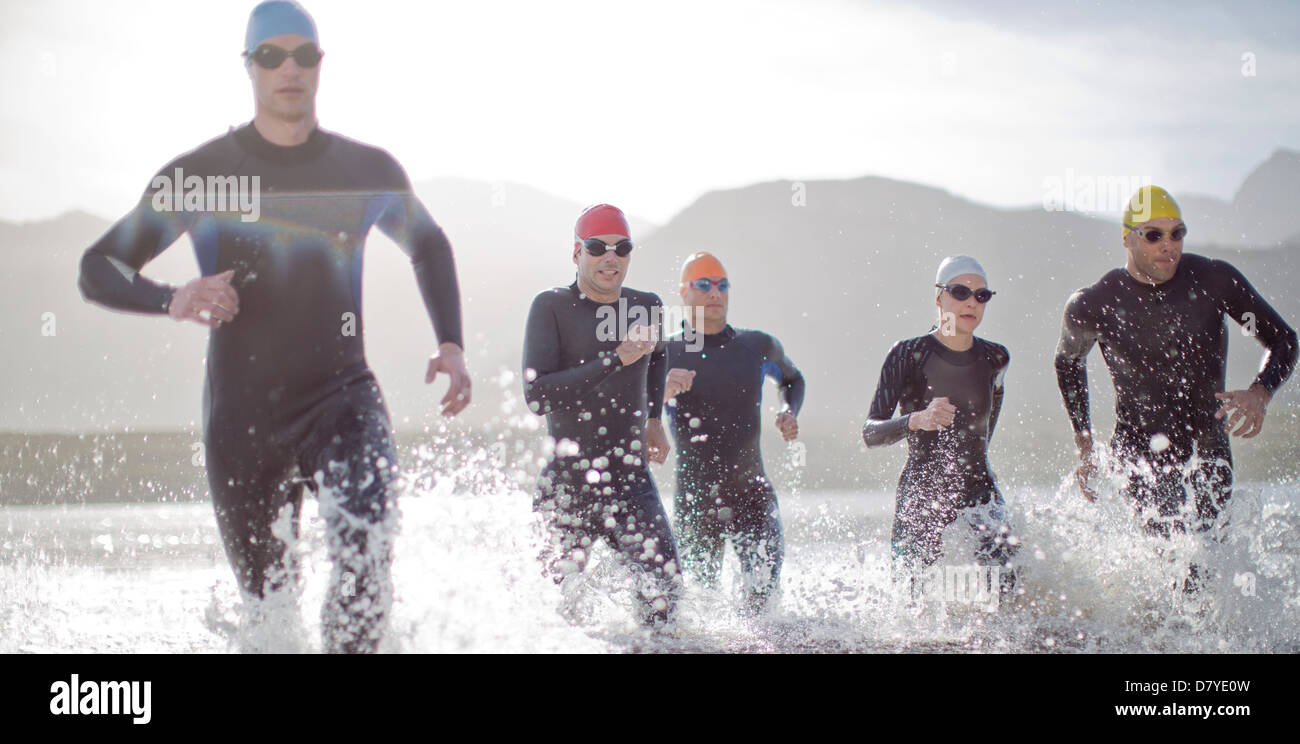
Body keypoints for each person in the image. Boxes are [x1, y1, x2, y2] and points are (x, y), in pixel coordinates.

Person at [77, 0, 471, 653]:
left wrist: (451, 343)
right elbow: (99, 266)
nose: (289, 68)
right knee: (270, 619)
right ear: (249, 67)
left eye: (304, 55)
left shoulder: (365, 171)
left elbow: (428, 245)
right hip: (241, 424)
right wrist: (170, 298)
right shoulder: (198, 176)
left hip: (343, 399)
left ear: (320, 66)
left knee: (367, 552)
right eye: (271, 55)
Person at [1055, 186, 1297, 588]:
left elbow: (1283, 340)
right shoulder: (1094, 304)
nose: (1168, 245)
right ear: (1127, 237)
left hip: (1208, 452)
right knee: (1166, 569)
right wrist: (1084, 443)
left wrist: (1261, 392)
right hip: (1139, 452)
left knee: (1205, 574)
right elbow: (1068, 362)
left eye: (1177, 233)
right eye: (1154, 235)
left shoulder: (1214, 282)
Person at [522, 204, 681, 627]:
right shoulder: (551, 307)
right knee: (555, 614)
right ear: (577, 253)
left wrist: (652, 420)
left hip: (630, 480)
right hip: (567, 484)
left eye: (621, 248)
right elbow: (537, 396)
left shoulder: (647, 305)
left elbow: (658, 354)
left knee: (664, 597)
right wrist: (616, 358)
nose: (611, 257)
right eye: (598, 247)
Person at [863, 256, 1017, 600]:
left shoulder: (996, 358)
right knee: (913, 602)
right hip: (923, 494)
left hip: (980, 492)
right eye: (960, 292)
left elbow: (992, 408)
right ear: (939, 298)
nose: (971, 302)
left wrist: (978, 455)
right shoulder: (908, 354)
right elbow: (870, 433)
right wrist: (916, 420)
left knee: (1009, 597)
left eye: (981, 295)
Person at [662, 252, 803, 615]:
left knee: (764, 601)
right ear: (684, 292)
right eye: (704, 285)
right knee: (698, 608)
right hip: (696, 498)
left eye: (723, 285)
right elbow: (633, 404)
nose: (715, 293)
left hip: (752, 492)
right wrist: (661, 392)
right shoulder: (666, 353)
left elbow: (792, 378)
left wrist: (788, 409)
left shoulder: (755, 346)